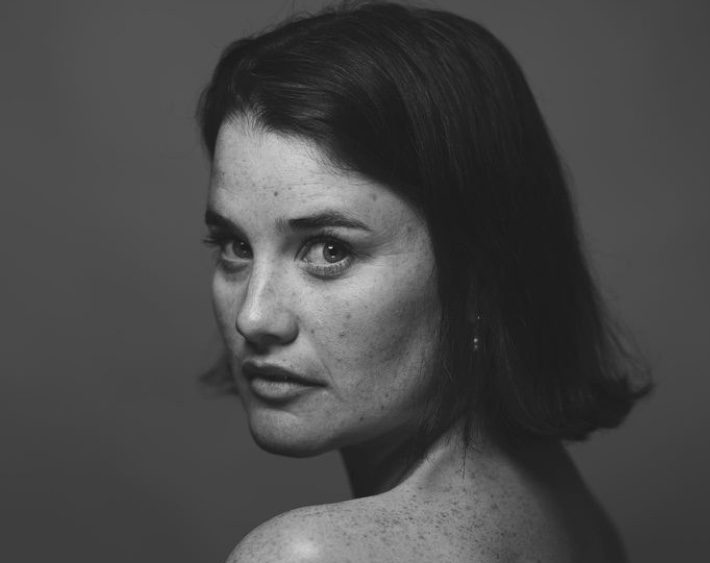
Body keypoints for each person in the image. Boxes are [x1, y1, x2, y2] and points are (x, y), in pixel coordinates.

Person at [197, 1, 650, 561]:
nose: (254, 316)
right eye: (236, 246)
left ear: (480, 273)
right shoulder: (565, 508)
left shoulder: (310, 554)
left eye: (330, 250)